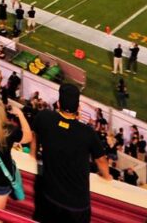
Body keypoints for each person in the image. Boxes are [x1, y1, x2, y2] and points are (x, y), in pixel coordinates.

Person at [31, 82, 110, 223]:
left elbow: (35, 137)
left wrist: (32, 154)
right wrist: (106, 176)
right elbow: (101, 160)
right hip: (76, 206)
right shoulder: (88, 133)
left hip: (49, 197)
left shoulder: (44, 118)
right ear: (78, 108)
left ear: (58, 104)